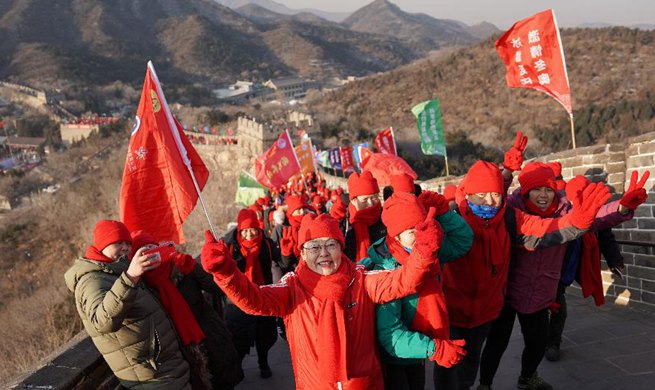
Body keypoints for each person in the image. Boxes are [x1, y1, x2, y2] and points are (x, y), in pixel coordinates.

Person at [200, 212, 444, 390]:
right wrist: (226, 272)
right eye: (314, 247)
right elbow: (254, 300)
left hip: (364, 383)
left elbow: (404, 280)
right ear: (303, 254)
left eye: (331, 245)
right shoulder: (292, 287)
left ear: (341, 248)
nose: (324, 253)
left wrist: (424, 252)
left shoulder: (361, 280)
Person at [435, 159, 612, 390]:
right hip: (451, 312)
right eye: (481, 195)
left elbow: (545, 228)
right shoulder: (451, 221)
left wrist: (577, 222)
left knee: (469, 367)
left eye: (495, 195)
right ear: (468, 194)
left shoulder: (510, 218)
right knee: (449, 372)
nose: (489, 201)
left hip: (485, 313)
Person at [478, 165, 645, 390]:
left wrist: (622, 207)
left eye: (548, 190)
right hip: (507, 288)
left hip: (542, 289)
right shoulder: (512, 211)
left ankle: (527, 377)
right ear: (526, 192)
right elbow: (492, 197)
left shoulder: (566, 210)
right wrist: (505, 172)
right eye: (536, 190)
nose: (543, 195)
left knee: (537, 342)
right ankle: (485, 384)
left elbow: (594, 217)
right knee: (497, 342)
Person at [360, 191, 473, 390]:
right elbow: (390, 335)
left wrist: (445, 213)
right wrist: (433, 349)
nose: (419, 235)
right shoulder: (387, 271)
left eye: (422, 226)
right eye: (411, 231)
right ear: (396, 236)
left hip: (418, 351)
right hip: (393, 357)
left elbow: (462, 242)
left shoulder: (429, 250)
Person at [64, 220, 190, 389]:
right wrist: (130, 277)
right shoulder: (91, 280)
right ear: (102, 245)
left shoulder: (118, 270)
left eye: (127, 243)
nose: (125, 248)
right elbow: (102, 322)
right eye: (118, 243)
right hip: (150, 375)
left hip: (164, 367)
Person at [223, 209, 279, 378]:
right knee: (239, 338)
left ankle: (263, 363)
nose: (249, 234)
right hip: (238, 300)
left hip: (263, 296)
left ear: (258, 227)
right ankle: (237, 370)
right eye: (245, 230)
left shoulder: (266, 244)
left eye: (252, 229)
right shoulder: (231, 247)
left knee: (264, 336)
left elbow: (280, 261)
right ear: (239, 230)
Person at [344, 170, 385, 261]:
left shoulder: (386, 217)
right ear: (354, 201)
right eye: (365, 200)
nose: (370, 203)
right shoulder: (346, 223)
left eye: (374, 197)